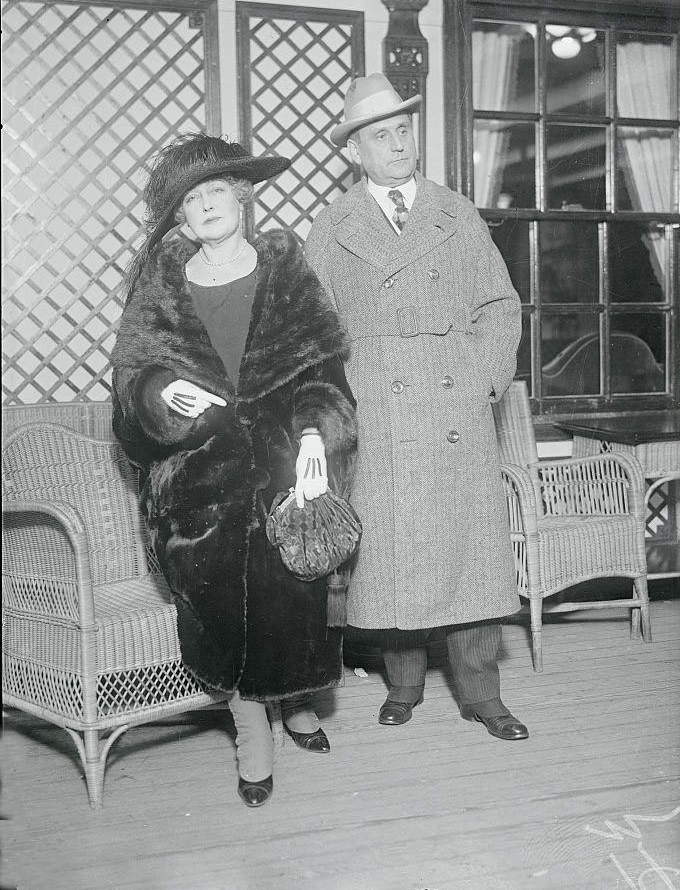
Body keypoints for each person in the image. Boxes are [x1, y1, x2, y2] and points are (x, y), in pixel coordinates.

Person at [111, 133, 357, 807]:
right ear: (181, 219)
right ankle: (255, 735)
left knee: (293, 605)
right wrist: (160, 395)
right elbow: (131, 388)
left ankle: (298, 702)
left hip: (284, 475)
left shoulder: (286, 269)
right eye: (192, 199)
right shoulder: (161, 289)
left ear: (243, 198)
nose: (207, 206)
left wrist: (314, 439)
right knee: (220, 615)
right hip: (195, 486)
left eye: (217, 190)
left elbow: (324, 377)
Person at [305, 74, 529, 741]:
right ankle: (403, 686)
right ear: (356, 151)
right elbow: (314, 329)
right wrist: (338, 402)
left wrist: (483, 377)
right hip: (379, 409)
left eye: (404, 129)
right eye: (382, 135)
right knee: (394, 555)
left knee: (470, 556)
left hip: (452, 402)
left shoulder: (456, 211)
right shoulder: (333, 225)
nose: (398, 144)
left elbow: (500, 305)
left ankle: (483, 695)